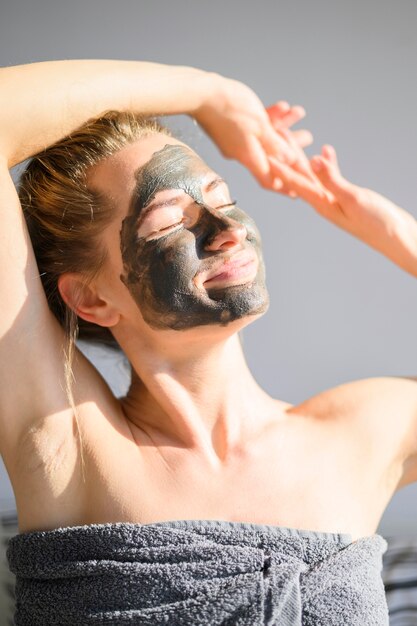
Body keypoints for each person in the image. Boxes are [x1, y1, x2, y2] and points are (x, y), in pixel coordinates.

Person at [1, 59, 415, 625]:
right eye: (170, 220)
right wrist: (209, 94)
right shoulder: (69, 446)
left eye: (223, 197)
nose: (229, 230)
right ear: (93, 299)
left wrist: (395, 232)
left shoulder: (360, 435)